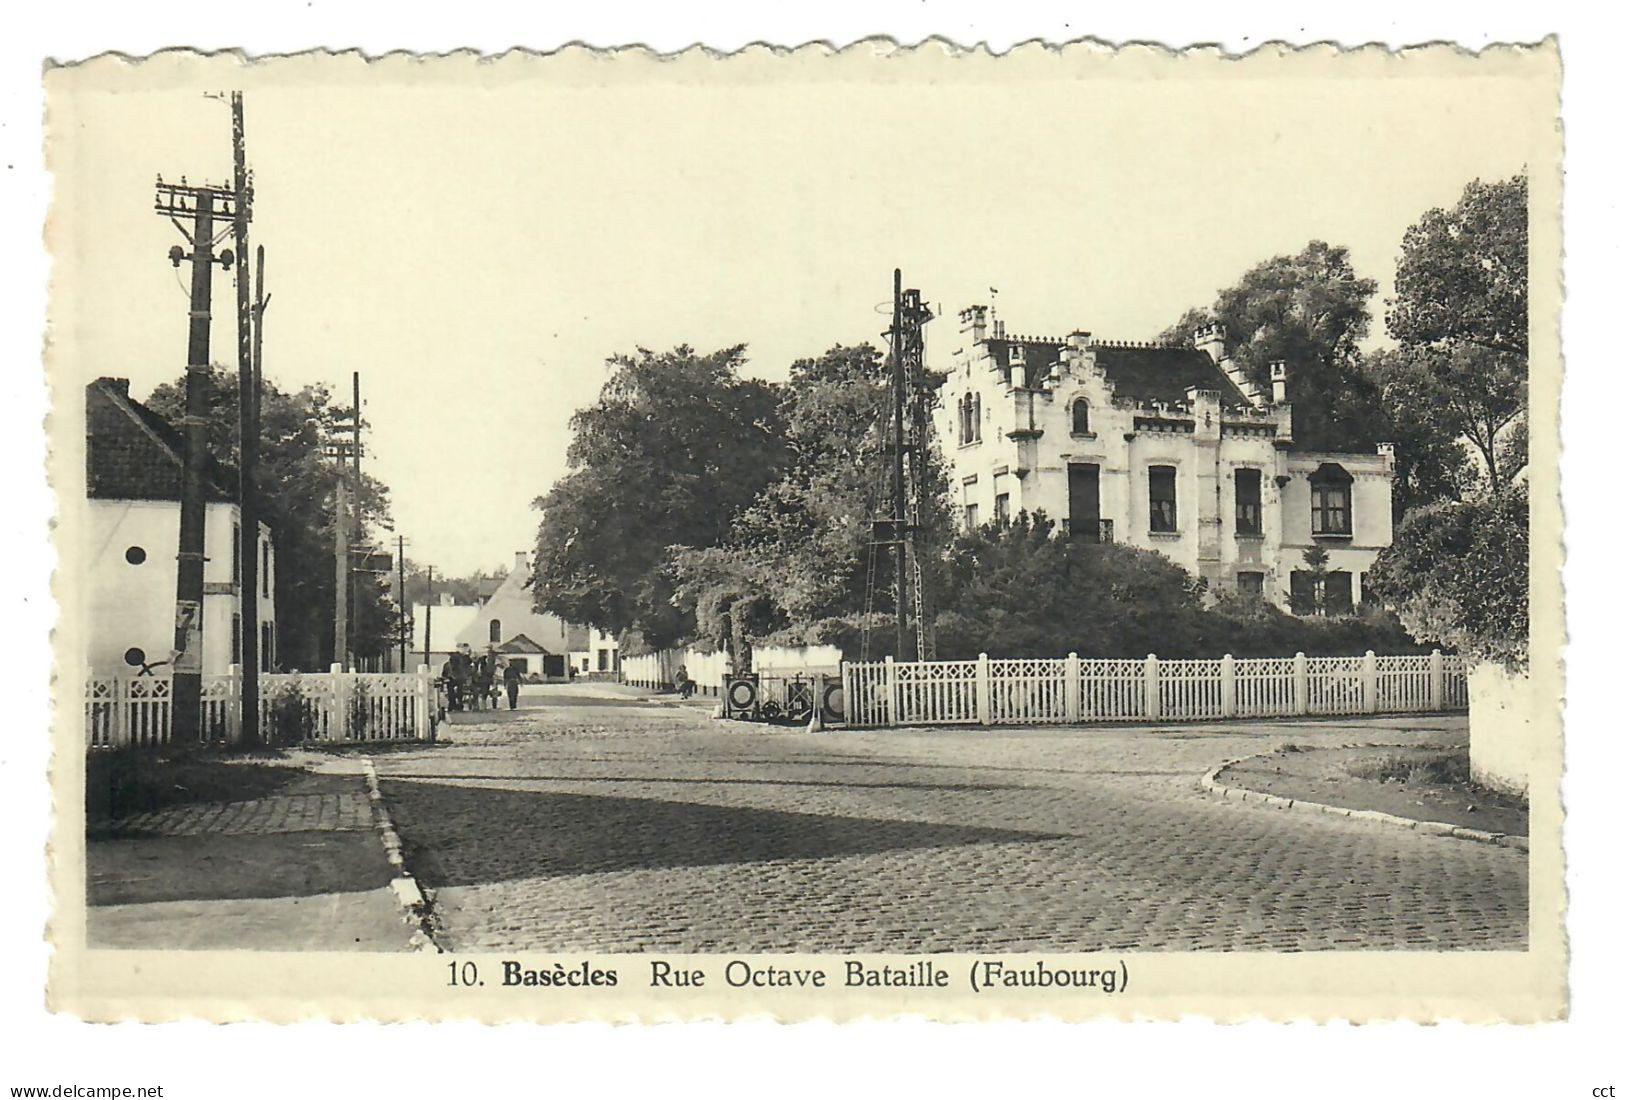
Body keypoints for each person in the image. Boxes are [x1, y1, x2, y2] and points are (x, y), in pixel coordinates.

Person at [445, 643, 474, 712]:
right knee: (452, 691)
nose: (465, 650)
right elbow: (453, 667)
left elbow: (469, 664)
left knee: (459, 691)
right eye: (464, 648)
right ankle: (452, 704)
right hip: (453, 677)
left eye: (466, 649)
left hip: (461, 677)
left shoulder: (466, 657)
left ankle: (458, 704)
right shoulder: (455, 657)